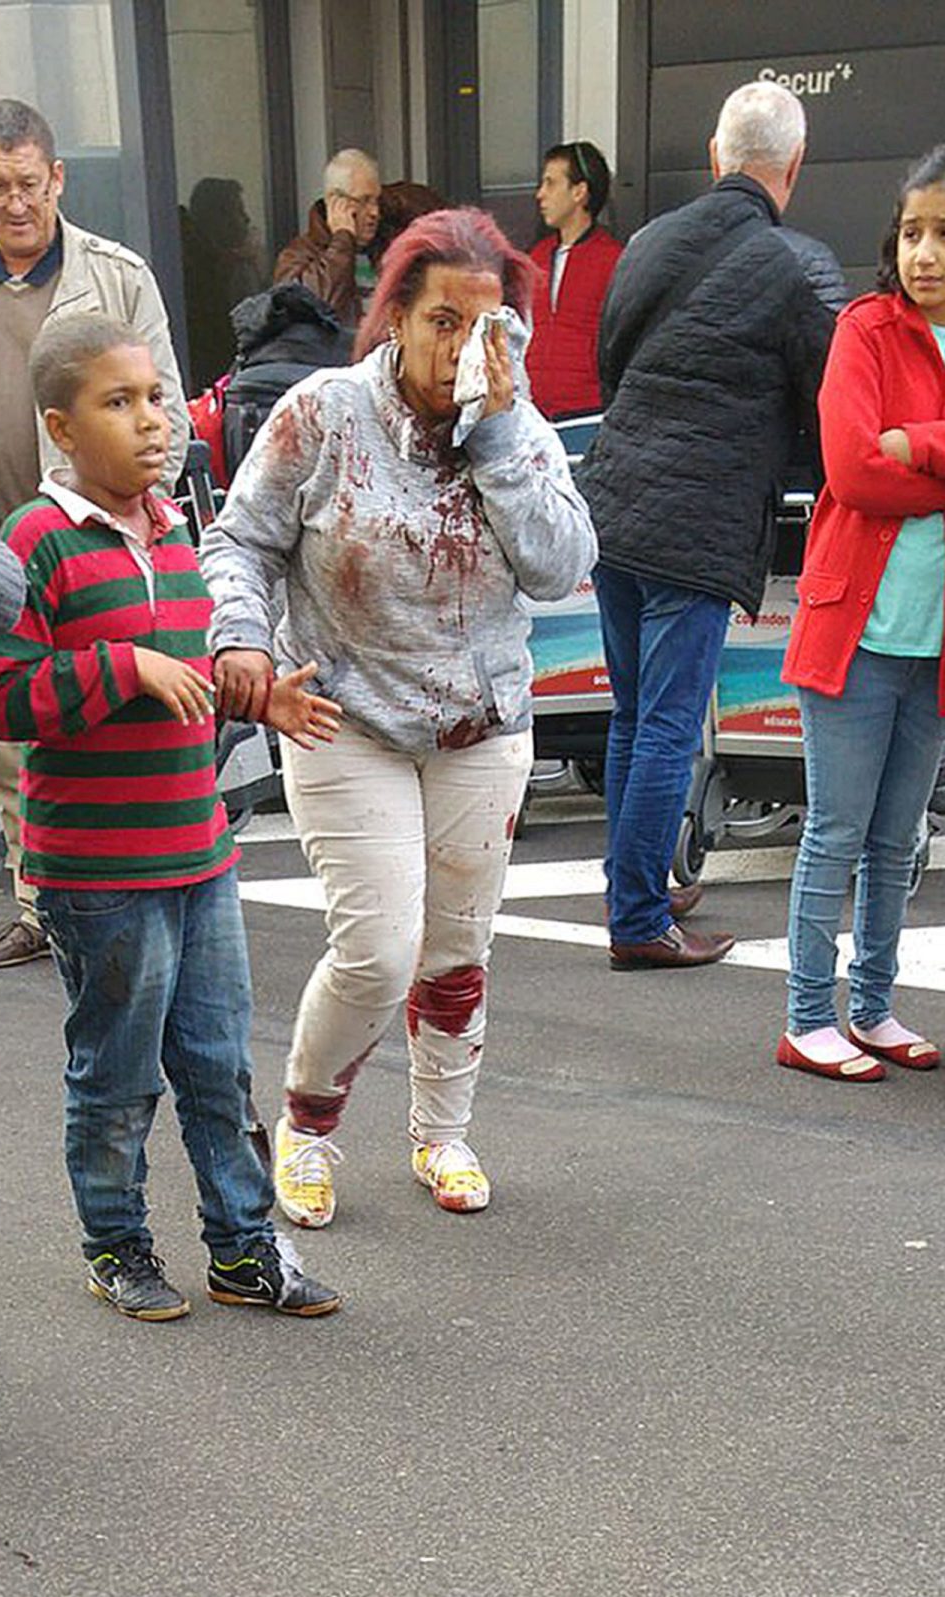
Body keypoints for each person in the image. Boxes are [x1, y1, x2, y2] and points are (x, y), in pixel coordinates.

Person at [204, 209, 597, 1228]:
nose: (462, 347)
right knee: (380, 950)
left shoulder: (519, 428)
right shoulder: (325, 412)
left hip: (483, 727)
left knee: (458, 952)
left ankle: (441, 1132)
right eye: (440, 321)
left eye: (487, 326)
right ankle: (307, 1124)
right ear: (394, 320)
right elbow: (240, 539)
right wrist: (241, 639)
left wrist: (502, 433)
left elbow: (562, 565)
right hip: (346, 719)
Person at [0, 312, 343, 1321]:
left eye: (157, 399)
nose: (151, 423)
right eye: (118, 403)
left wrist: (253, 694)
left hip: (196, 850)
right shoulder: (35, 542)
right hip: (99, 869)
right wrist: (122, 667)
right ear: (60, 426)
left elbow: (189, 676)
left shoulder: (177, 532)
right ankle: (116, 1245)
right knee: (119, 1076)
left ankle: (242, 1248)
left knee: (220, 1067)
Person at [778, 144, 945, 1083]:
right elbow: (850, 471)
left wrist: (916, 444)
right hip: (855, 624)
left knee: (898, 838)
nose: (925, 252)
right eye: (912, 231)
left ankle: (875, 1006)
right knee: (835, 833)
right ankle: (810, 1014)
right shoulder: (864, 328)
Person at [0, 97, 189, 970]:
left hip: (97, 537)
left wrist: (139, 524)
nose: (15, 203)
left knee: (102, 712)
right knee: (6, 730)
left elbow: (168, 413)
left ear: (57, 178)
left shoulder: (117, 275)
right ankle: (40, 899)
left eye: (29, 183)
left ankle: (128, 885)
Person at [577, 80, 845, 970]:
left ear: (715, 154)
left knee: (629, 716)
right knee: (668, 722)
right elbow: (824, 403)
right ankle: (641, 918)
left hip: (614, 503)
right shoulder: (797, 265)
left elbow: (610, 363)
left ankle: (637, 879)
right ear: (795, 167)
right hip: (699, 518)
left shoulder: (646, 242)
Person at [526, 140, 622, 420]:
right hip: (535, 412)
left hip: (590, 411)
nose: (540, 195)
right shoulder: (537, 257)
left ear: (579, 192)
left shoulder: (613, 259)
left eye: (550, 183)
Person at [273, 148, 383, 326]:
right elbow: (312, 310)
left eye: (377, 200)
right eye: (364, 200)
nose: (375, 212)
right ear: (335, 203)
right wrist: (342, 240)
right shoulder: (298, 255)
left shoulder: (384, 245)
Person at [180, 175, 264, 390]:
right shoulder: (195, 274)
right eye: (238, 211)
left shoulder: (234, 263)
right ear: (218, 217)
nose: (246, 219)